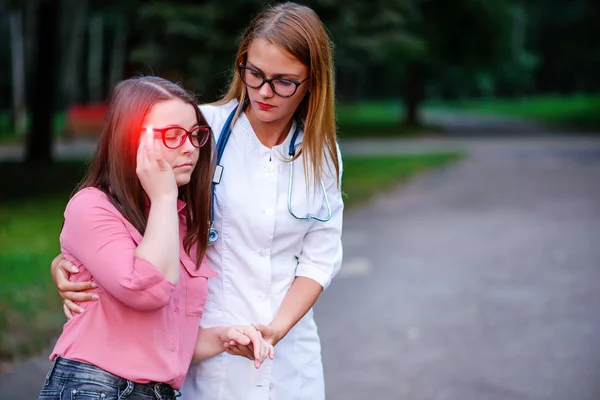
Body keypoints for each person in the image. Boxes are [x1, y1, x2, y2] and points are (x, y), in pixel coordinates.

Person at [51, 2, 343, 399]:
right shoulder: (198, 130)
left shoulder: (323, 155)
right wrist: (71, 263)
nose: (263, 92)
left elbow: (320, 256)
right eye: (254, 74)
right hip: (202, 349)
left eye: (284, 82)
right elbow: (125, 206)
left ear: (312, 82)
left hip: (289, 351)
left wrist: (277, 327)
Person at [40, 76, 272, 400]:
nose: (190, 147)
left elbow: (167, 341)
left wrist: (224, 338)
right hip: (94, 386)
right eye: (173, 136)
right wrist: (163, 198)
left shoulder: (179, 219)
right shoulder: (91, 206)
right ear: (131, 140)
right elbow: (147, 291)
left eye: (194, 135)